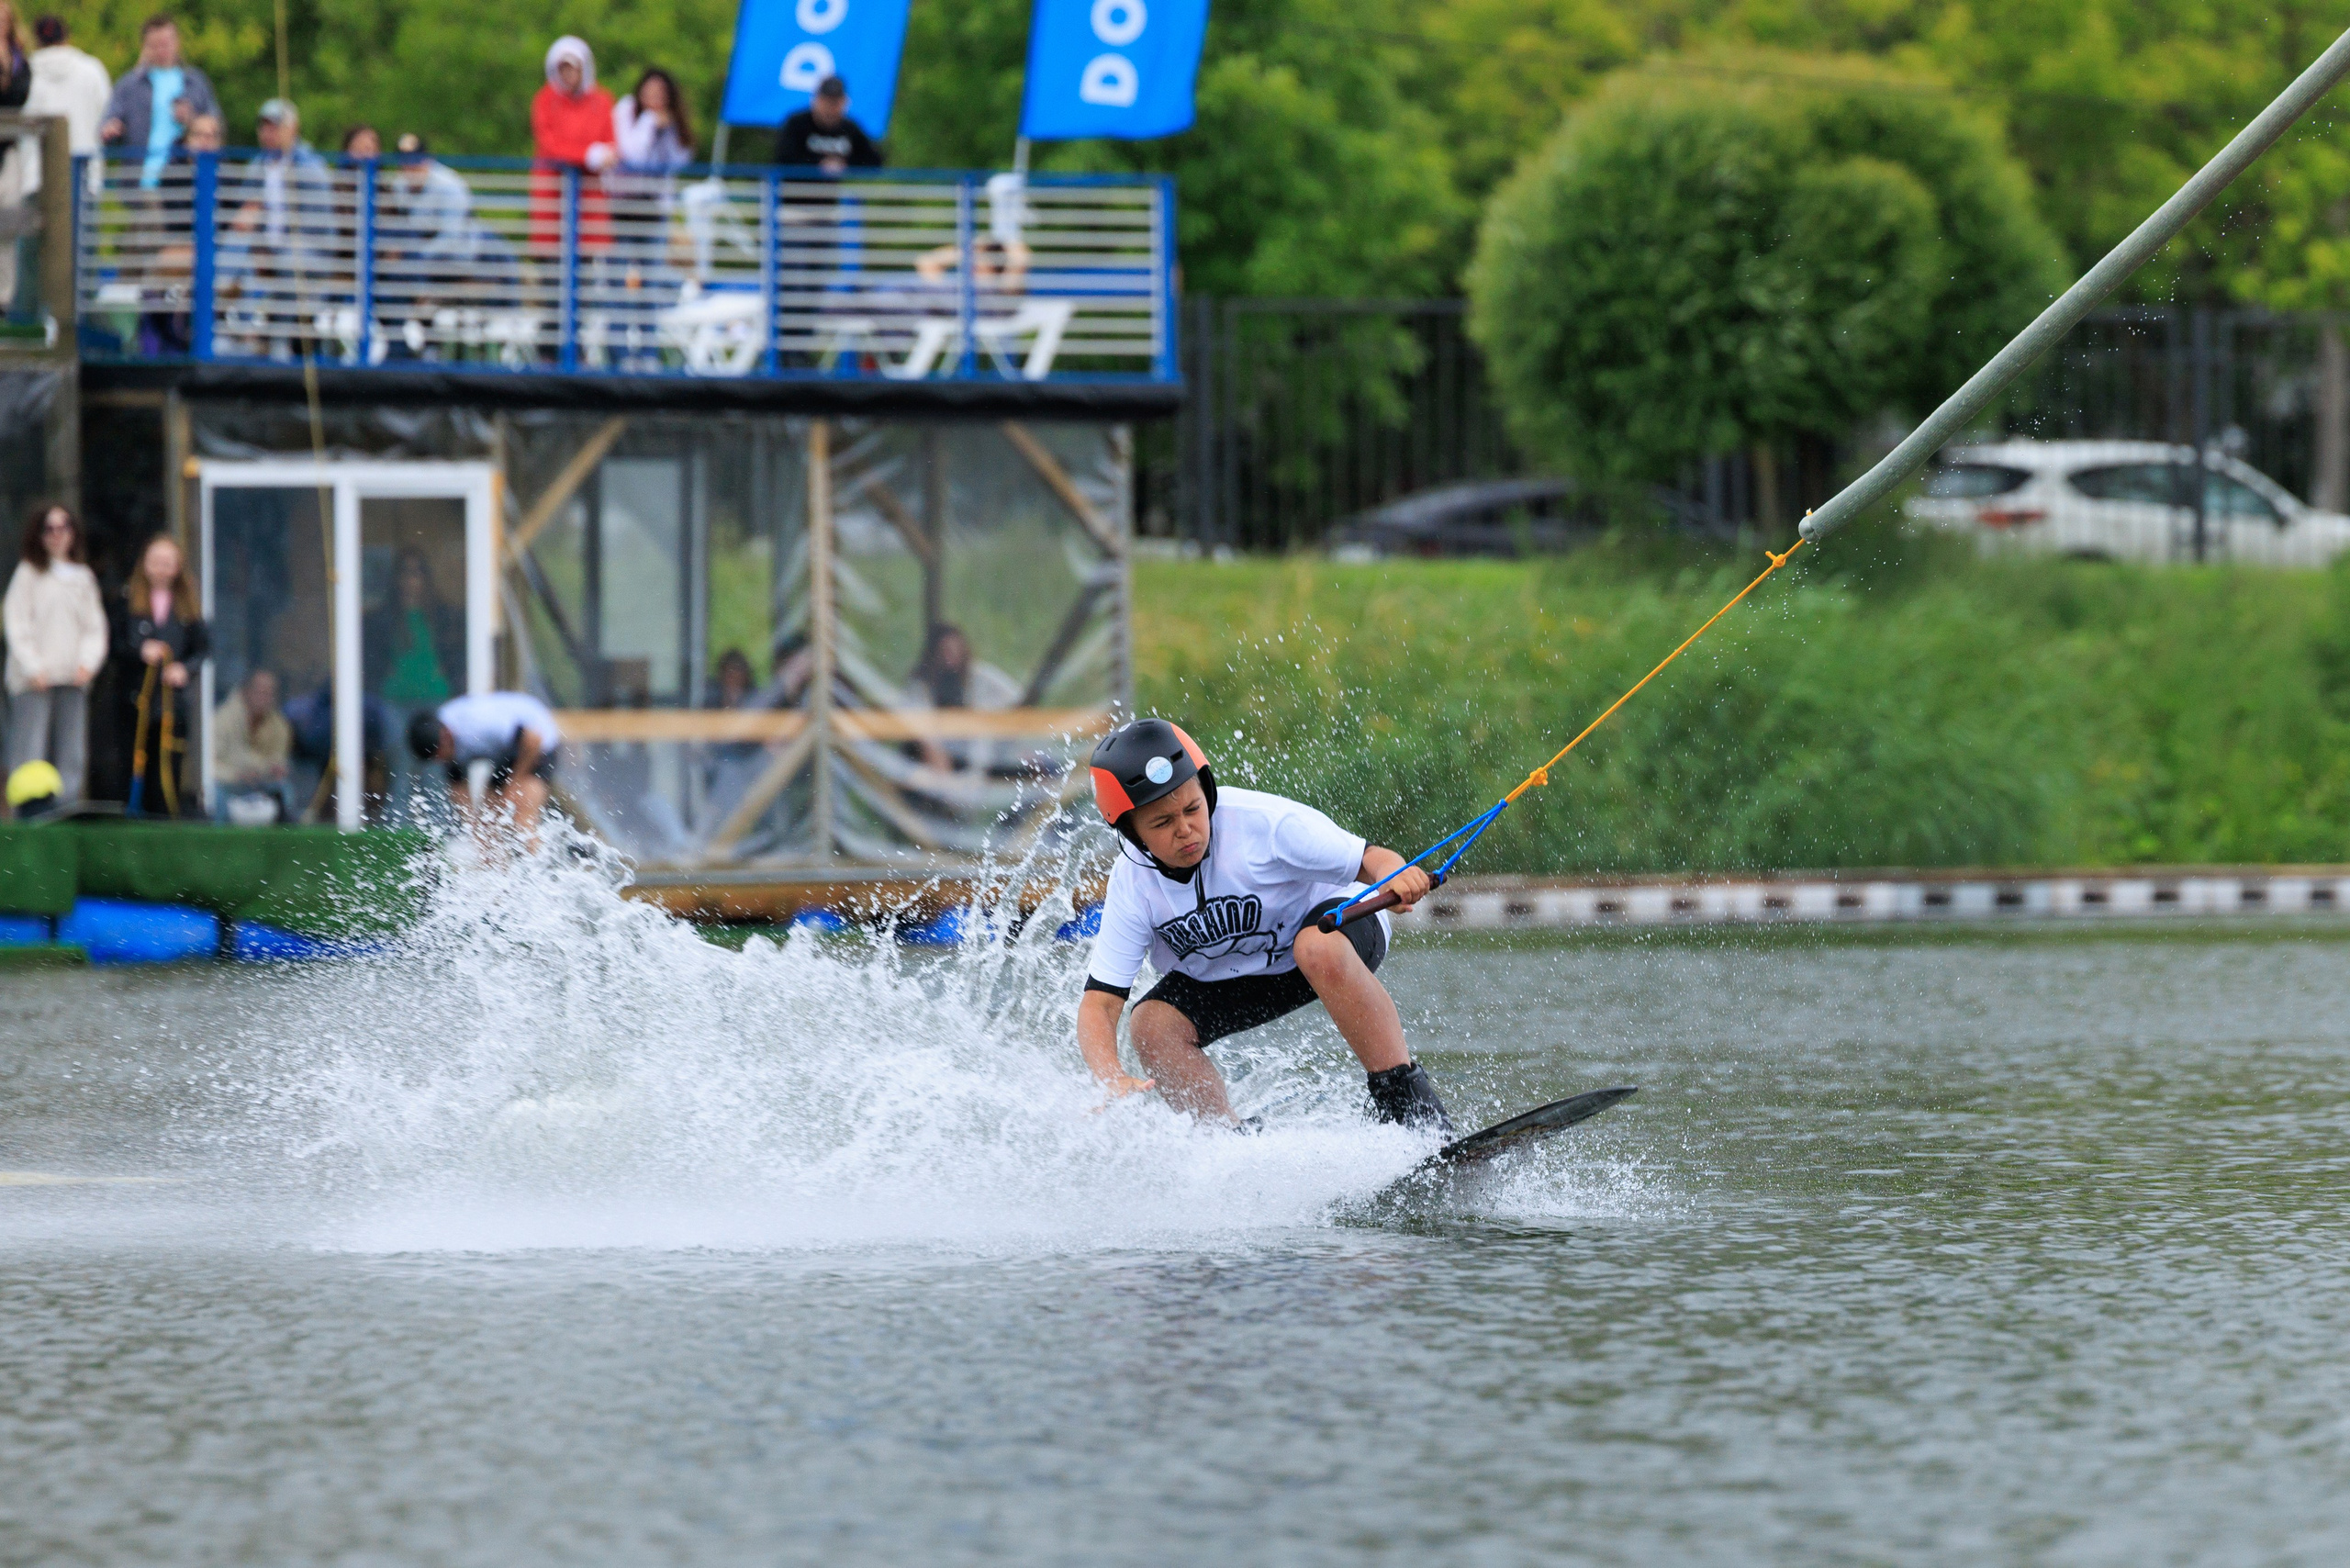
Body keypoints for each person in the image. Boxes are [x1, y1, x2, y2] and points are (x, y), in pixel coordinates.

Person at [1075, 719, 1454, 1132]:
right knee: (1151, 1024)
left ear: (1207, 792)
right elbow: (1100, 1002)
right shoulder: (1132, 884)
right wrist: (1110, 1079)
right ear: (1133, 834)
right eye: (1162, 823)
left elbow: (1375, 859)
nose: (1185, 830)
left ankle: (1412, 1111)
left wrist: (1398, 876)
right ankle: (1227, 1143)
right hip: (1240, 974)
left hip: (1334, 938)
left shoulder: (1265, 823)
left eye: (1192, 809)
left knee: (1316, 947)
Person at [4, 503, 106, 805]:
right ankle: (27, 807)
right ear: (39, 534)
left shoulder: (83, 577)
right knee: (29, 748)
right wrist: (33, 666)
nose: (57, 535)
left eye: (64, 528)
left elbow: (94, 628)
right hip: (34, 680)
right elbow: (16, 623)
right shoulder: (27, 573)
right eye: (49, 528)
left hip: (72, 678)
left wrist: (88, 664)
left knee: (71, 751)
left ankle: (66, 807)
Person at [112, 532, 208, 816]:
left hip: (170, 706)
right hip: (136, 701)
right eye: (156, 561)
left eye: (168, 562)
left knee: (167, 766)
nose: (161, 568)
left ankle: (164, 821)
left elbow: (202, 650)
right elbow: (114, 645)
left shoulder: (188, 607)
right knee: (132, 762)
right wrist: (140, 651)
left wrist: (184, 669)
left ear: (178, 567)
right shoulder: (127, 601)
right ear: (145, 564)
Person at [407, 690, 563, 843]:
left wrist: (513, 785)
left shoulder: (480, 724)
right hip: (506, 750)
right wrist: (473, 826)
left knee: (522, 815)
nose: (440, 761)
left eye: (440, 756)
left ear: (446, 736)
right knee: (487, 823)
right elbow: (458, 788)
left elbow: (533, 739)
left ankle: (535, 859)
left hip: (536, 742)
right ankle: (496, 867)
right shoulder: (439, 734)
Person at [100, 15, 219, 190]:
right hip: (146, 181)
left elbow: (217, 126)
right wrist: (111, 128)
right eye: (155, 45)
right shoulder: (130, 84)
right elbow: (107, 124)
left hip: (191, 180)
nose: (161, 50)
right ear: (145, 47)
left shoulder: (196, 82)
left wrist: (191, 119)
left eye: (165, 44)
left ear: (177, 42)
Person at [531, 36, 615, 256]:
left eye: (573, 68)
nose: (568, 75)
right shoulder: (545, 100)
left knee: (586, 257)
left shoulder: (601, 100)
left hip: (588, 190)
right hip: (553, 189)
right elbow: (549, 145)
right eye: (563, 69)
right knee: (551, 257)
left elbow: (610, 142)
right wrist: (587, 155)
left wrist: (604, 155)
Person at [24, 16, 113, 200]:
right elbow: (108, 118)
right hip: (85, 172)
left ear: (37, 40)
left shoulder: (26, 74)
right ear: (67, 37)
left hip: (37, 176)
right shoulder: (92, 70)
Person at [212, 666, 290, 823]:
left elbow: (278, 758)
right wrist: (236, 775)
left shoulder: (279, 725)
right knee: (215, 797)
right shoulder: (222, 720)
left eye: (269, 692)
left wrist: (275, 769)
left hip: (260, 784)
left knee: (285, 792)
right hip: (227, 785)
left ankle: (283, 844)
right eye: (260, 691)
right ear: (246, 691)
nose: (264, 697)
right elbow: (208, 765)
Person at [773, 75, 880, 174]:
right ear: (816, 100)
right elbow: (783, 158)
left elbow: (873, 160)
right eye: (826, 102)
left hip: (830, 192)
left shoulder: (850, 129)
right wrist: (819, 165)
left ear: (844, 103)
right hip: (793, 191)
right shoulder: (797, 124)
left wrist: (844, 164)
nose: (830, 109)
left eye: (835, 103)